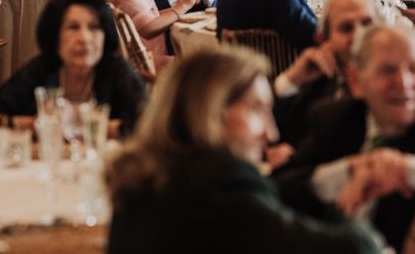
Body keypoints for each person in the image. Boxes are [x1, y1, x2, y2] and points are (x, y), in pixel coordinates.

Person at [106, 47, 382, 254]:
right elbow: (353, 249)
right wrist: (347, 205)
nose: (270, 132)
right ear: (212, 110)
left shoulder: (145, 173)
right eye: (257, 109)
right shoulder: (221, 184)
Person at [272, 24, 415, 252]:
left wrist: (405, 171)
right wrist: (347, 171)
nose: (404, 82)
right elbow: (279, 188)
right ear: (356, 81)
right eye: (388, 70)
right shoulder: (336, 118)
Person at [0, 0, 146, 133]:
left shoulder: (117, 70)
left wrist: (86, 126)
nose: (84, 39)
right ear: (55, 35)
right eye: (73, 28)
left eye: (94, 27)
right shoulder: (42, 68)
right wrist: (33, 124)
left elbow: (147, 125)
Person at [273, 0, 376, 147]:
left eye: (367, 24)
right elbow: (279, 137)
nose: (359, 36)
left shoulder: (403, 81)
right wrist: (291, 79)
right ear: (323, 39)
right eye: (346, 28)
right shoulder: (317, 86)